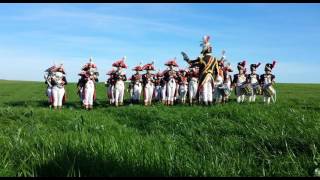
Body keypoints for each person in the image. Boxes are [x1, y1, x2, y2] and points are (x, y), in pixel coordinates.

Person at [181, 35, 220, 106]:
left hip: (204, 76)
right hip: (211, 77)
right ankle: (210, 103)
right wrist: (216, 79)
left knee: (205, 89)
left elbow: (192, 63)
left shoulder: (202, 58)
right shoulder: (215, 59)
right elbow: (217, 71)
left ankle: (205, 103)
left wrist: (186, 59)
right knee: (209, 89)